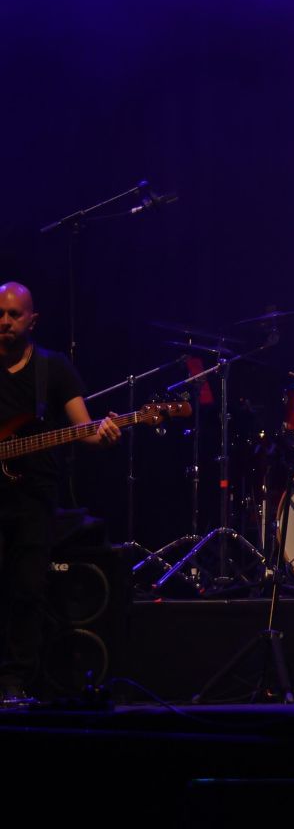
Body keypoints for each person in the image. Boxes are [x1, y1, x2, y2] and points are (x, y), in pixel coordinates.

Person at [0, 282, 120, 703]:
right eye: (0, 313)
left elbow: (83, 427)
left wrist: (101, 436)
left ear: (32, 320)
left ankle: (14, 682)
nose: (4, 321)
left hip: (32, 496)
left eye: (14, 315)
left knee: (26, 588)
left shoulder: (52, 368)